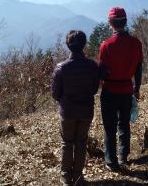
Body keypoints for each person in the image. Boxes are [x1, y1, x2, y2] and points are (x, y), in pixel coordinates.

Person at [51, 30, 99, 186]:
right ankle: (78, 177)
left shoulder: (61, 68)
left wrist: (65, 101)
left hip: (67, 112)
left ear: (68, 46)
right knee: (81, 143)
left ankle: (65, 178)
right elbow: (94, 89)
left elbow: (55, 93)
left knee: (67, 143)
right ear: (84, 45)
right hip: (86, 111)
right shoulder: (92, 66)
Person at [99, 7, 143, 171]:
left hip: (109, 90)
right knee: (124, 123)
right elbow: (138, 68)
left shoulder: (106, 45)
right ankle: (123, 155)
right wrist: (136, 88)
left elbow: (102, 72)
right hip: (126, 89)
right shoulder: (136, 43)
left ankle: (111, 161)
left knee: (109, 127)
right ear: (125, 22)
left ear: (110, 23)